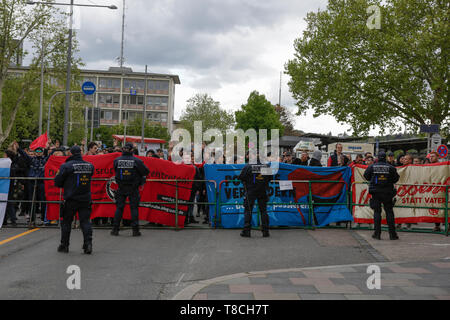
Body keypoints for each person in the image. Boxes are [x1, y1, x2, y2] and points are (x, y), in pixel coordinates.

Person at [54, 146, 95, 254]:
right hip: (85, 198)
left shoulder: (66, 166)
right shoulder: (90, 166)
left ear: (71, 153)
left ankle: (64, 245)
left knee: (66, 222)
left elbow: (57, 181)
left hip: (71, 198)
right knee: (85, 222)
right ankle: (88, 244)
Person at [111, 143, 150, 237]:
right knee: (134, 208)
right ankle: (135, 230)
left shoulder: (117, 160)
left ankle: (115, 229)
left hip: (121, 187)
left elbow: (115, 170)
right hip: (133, 187)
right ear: (132, 150)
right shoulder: (137, 161)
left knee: (119, 208)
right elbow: (146, 171)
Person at [364, 151, 400, 240]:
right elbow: (396, 179)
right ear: (386, 157)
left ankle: (377, 234)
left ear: (377, 157)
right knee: (389, 212)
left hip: (375, 192)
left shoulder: (372, 167)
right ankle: (392, 234)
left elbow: (366, 176)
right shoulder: (391, 167)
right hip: (388, 192)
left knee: (377, 212)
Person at [238, 157, 272, 238]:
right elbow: (270, 178)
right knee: (263, 210)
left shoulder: (248, 166)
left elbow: (241, 177)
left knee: (248, 210)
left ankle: (246, 231)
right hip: (262, 190)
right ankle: (265, 231)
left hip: (251, 190)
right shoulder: (266, 166)